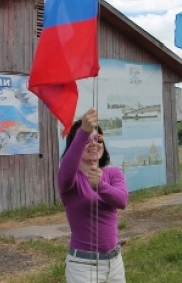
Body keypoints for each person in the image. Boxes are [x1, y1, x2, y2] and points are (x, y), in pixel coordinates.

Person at [58, 108, 128, 283]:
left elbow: (122, 201)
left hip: (114, 263)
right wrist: (83, 131)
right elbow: (66, 171)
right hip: (83, 265)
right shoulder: (70, 180)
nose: (94, 143)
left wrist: (100, 186)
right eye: (86, 140)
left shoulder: (113, 173)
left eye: (98, 138)